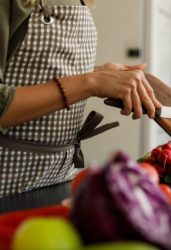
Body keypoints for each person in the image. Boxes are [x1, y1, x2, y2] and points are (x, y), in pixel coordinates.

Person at [0, 0, 161, 197]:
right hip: (7, 183)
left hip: (58, 176)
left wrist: (99, 74)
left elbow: (29, 70)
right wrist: (91, 82)